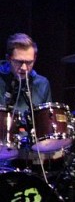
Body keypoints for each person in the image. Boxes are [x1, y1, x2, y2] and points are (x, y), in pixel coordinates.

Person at [1, 33, 55, 163]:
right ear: (8, 58)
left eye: (29, 62)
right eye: (19, 62)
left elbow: (46, 125)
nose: (24, 68)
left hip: (30, 152)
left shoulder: (41, 83)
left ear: (35, 58)